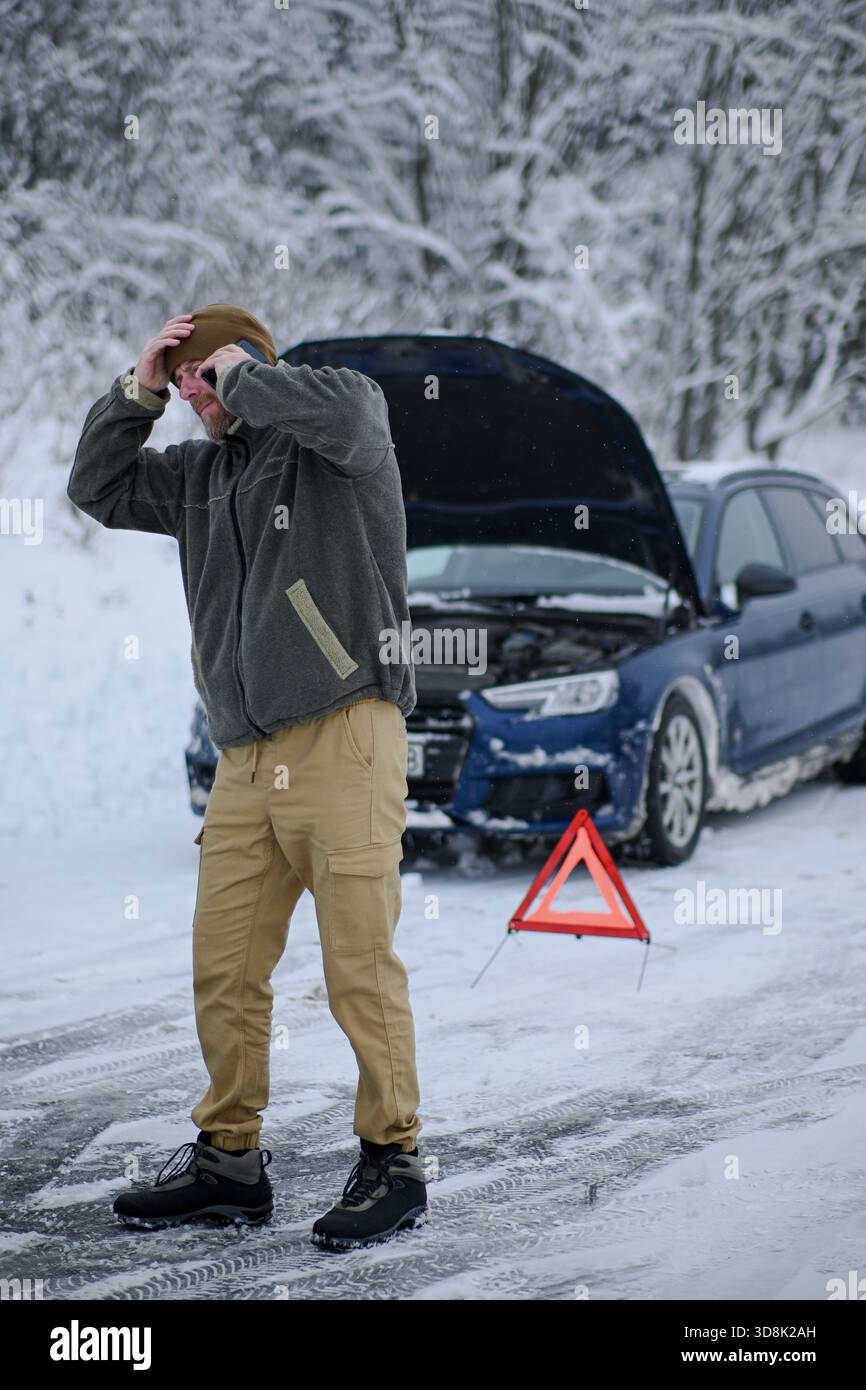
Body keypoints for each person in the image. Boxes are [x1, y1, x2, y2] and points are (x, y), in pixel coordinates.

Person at [67, 303, 427, 1249]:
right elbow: (97, 486)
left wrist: (244, 376)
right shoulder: (198, 477)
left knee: (359, 965)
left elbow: (358, 412)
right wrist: (139, 391)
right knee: (224, 966)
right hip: (245, 758)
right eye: (182, 378)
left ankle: (393, 1160)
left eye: (202, 373)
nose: (194, 392)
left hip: (346, 729)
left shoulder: (331, 444)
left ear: (247, 361)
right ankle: (229, 1159)